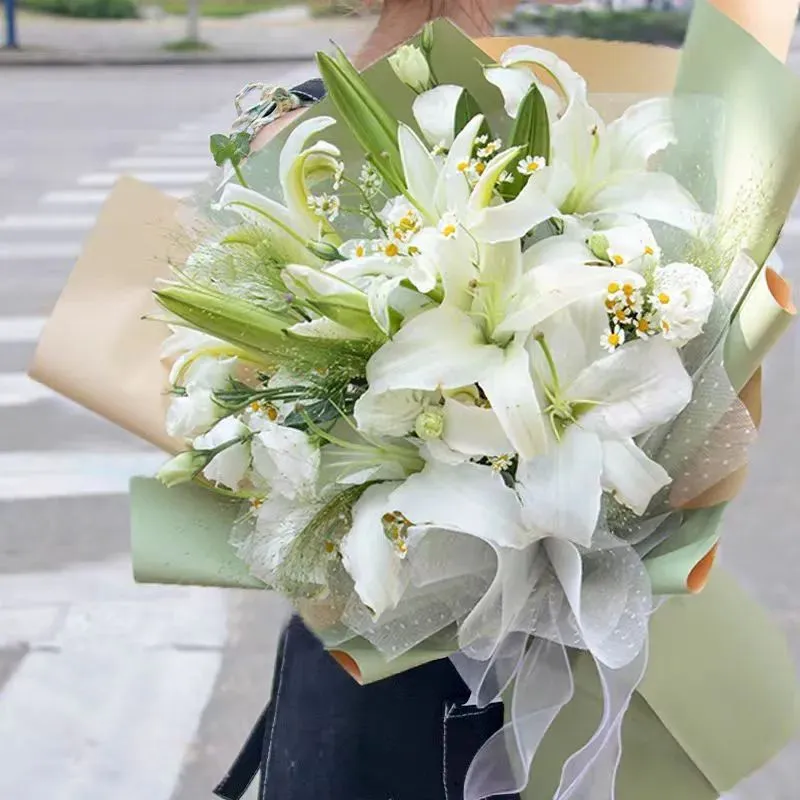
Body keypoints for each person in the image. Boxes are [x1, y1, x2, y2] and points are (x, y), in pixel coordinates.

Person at [214, 1, 800, 798]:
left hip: (371, 662)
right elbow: (689, 430)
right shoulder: (569, 113)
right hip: (532, 666)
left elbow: (245, 446)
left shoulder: (287, 137)